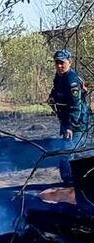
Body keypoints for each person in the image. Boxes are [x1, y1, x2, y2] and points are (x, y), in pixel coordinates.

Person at [48, 49, 90, 182]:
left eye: (62, 62)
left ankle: (70, 183)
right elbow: (55, 92)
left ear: (69, 62)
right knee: (72, 152)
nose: (59, 65)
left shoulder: (71, 79)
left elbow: (76, 105)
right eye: (57, 62)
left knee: (67, 153)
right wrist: (51, 99)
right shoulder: (59, 76)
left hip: (77, 123)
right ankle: (74, 182)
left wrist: (70, 127)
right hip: (67, 120)